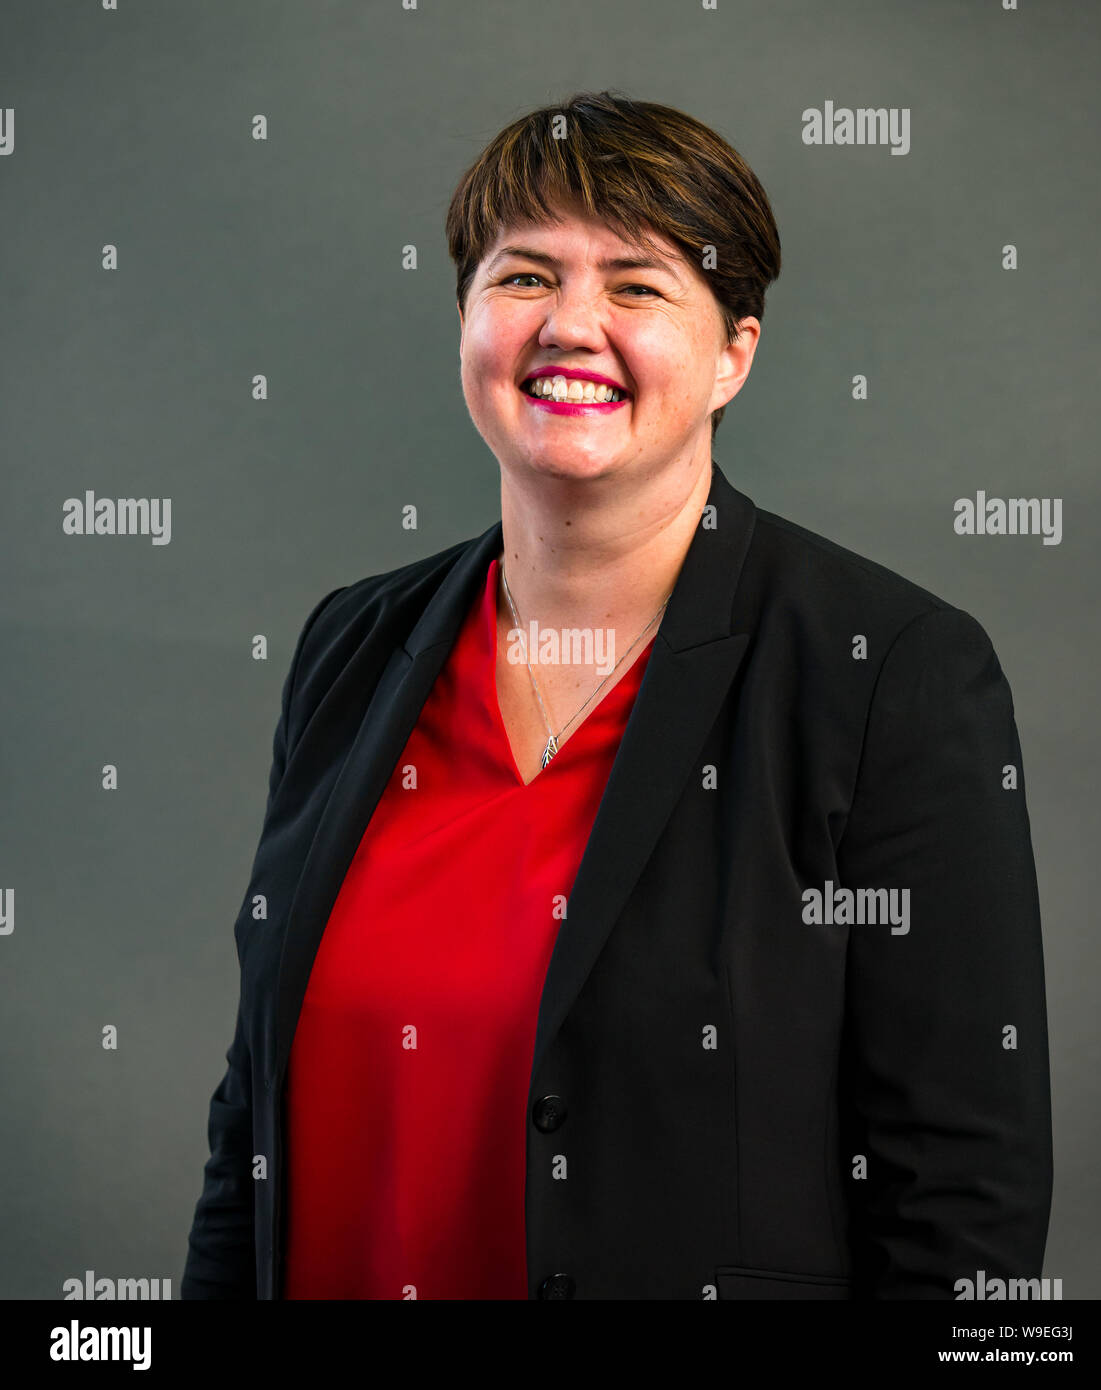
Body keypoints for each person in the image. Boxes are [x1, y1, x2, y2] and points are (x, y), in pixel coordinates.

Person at [182, 90, 1052, 1301]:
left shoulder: (885, 669)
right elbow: (250, 1126)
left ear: (734, 353)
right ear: (467, 320)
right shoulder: (353, 645)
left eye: (637, 286)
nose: (570, 326)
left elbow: (962, 1189)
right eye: (524, 276)